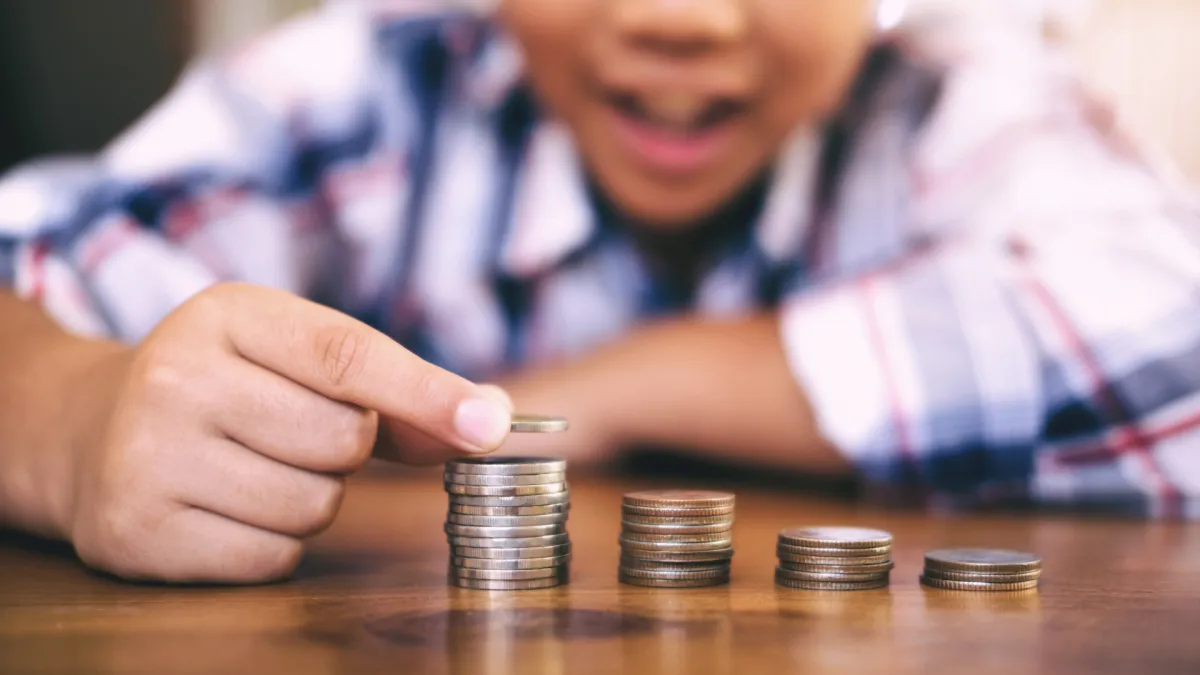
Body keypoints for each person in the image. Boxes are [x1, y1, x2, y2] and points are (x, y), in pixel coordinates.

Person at [1, 0, 1197, 584]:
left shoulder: (962, 92)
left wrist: (631, 386)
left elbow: (1170, 330)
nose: (678, 19)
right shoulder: (375, 74)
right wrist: (67, 417)